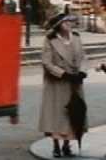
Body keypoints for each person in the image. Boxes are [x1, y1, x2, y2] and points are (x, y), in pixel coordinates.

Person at [38, 13, 89, 158]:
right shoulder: (50, 40)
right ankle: (56, 146)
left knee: (74, 115)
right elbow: (46, 62)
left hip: (75, 83)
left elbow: (84, 57)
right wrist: (63, 74)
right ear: (58, 25)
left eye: (70, 22)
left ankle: (67, 146)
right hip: (57, 84)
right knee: (57, 115)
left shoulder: (77, 37)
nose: (69, 24)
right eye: (65, 22)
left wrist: (82, 72)